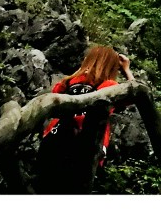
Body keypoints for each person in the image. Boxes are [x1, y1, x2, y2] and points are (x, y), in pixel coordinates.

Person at [35, 44, 131, 193]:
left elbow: (56, 91)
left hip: (54, 140)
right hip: (85, 148)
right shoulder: (109, 85)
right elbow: (133, 95)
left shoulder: (69, 82)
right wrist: (126, 69)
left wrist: (84, 67)